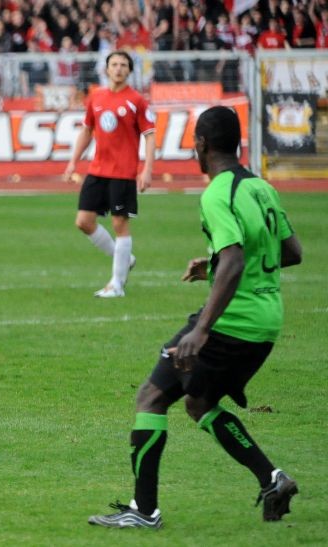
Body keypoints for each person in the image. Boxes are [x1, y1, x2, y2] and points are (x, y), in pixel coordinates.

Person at [88, 106, 302, 529]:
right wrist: (214, 264)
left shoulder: (218, 193)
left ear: (201, 145)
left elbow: (235, 260)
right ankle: (272, 479)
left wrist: (201, 329)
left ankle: (144, 510)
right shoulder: (261, 188)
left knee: (151, 396)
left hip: (231, 321)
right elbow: (290, 252)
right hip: (266, 323)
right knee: (199, 402)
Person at [62, 50, 155, 298]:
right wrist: (73, 161)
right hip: (97, 170)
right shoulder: (96, 97)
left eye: (123, 65)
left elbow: (149, 136)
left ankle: (117, 285)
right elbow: (87, 131)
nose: (118, 68)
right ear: (106, 69)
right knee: (83, 221)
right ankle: (125, 258)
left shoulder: (137, 101)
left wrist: (147, 169)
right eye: (114, 64)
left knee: (119, 224)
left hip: (123, 172)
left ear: (129, 71)